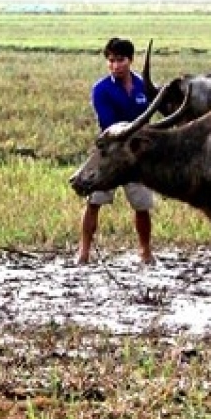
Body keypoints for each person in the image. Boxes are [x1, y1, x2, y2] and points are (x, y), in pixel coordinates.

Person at [76, 37, 156, 266]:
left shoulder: (144, 87)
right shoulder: (101, 89)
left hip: (137, 154)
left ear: (130, 60)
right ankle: (83, 253)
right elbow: (108, 123)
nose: (115, 65)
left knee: (142, 205)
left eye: (120, 60)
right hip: (110, 152)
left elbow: (152, 117)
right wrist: (138, 128)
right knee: (94, 201)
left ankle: (146, 252)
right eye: (111, 61)